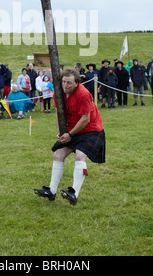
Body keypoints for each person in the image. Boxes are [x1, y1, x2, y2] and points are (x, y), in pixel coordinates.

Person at [34, 68, 105, 205]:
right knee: (58, 154)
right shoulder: (58, 94)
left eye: (69, 83)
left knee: (80, 155)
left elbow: (85, 119)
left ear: (77, 83)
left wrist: (70, 134)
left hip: (91, 129)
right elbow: (58, 113)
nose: (65, 86)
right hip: (72, 129)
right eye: (64, 82)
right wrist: (62, 132)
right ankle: (51, 191)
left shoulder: (83, 94)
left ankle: (74, 193)